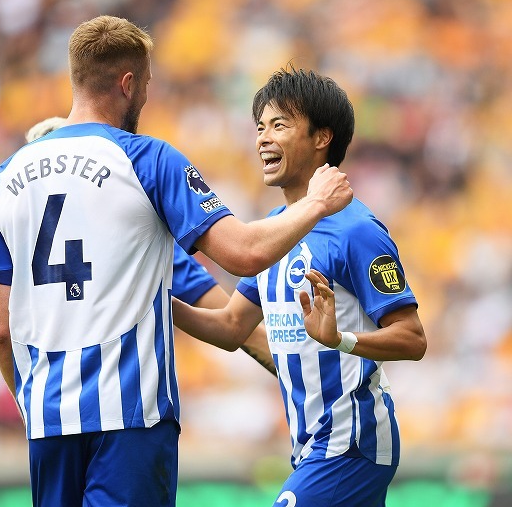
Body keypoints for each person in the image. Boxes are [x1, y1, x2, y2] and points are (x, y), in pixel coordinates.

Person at [0, 16, 351, 507]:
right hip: (131, 417)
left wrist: (34, 407)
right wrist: (317, 203)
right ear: (128, 84)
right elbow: (244, 254)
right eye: (147, 84)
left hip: (48, 420)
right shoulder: (148, 160)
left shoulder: (5, 178)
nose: (148, 97)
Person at [0, 117, 274, 481]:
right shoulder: (139, 225)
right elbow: (231, 322)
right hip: (128, 417)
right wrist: (293, 369)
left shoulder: (14, 229)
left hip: (53, 422)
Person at [172, 66, 427, 507]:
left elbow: (413, 338)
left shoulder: (356, 231)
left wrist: (340, 339)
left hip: (353, 443)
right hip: (310, 448)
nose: (263, 139)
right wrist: (156, 303)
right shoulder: (272, 232)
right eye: (260, 127)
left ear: (322, 137)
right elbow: (232, 327)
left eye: (279, 125)